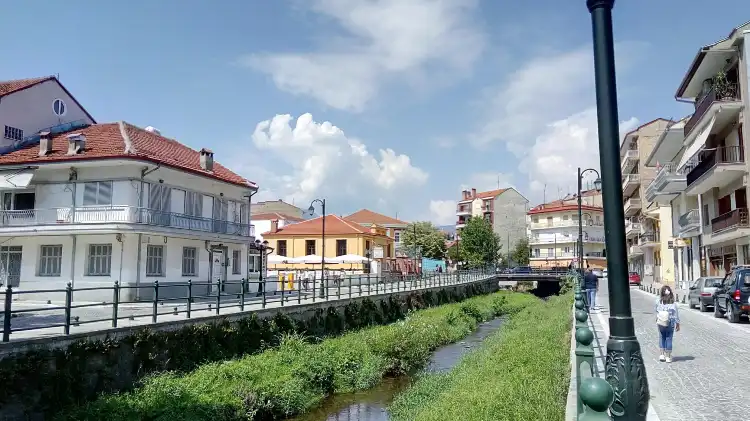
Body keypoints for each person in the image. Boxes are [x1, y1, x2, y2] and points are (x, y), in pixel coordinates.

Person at [655, 286, 680, 363]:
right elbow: (676, 314)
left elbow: (656, 310)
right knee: (669, 338)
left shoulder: (658, 301)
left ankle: (662, 355)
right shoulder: (673, 303)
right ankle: (668, 357)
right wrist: (678, 323)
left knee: (662, 337)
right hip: (670, 322)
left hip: (661, 322)